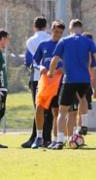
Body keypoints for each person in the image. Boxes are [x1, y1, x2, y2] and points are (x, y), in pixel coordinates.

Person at [49, 19, 96, 149]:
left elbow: (55, 59)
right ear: (81, 29)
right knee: (83, 99)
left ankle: (59, 141)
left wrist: (50, 72)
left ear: (70, 29)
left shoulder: (64, 41)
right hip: (84, 80)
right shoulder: (88, 41)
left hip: (69, 80)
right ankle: (84, 125)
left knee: (62, 111)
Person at [31, 20, 65, 149]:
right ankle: (39, 137)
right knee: (39, 107)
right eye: (56, 31)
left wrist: (64, 69)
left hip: (59, 82)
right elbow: (34, 61)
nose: (58, 34)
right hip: (45, 81)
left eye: (61, 33)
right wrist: (40, 68)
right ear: (51, 30)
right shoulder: (43, 45)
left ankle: (55, 140)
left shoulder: (64, 45)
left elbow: (69, 62)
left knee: (56, 111)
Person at [21, 17, 52, 148]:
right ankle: (48, 138)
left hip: (36, 77)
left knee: (38, 109)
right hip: (51, 77)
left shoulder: (30, 41)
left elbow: (29, 61)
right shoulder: (51, 39)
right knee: (49, 109)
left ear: (34, 26)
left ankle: (36, 137)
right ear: (46, 26)